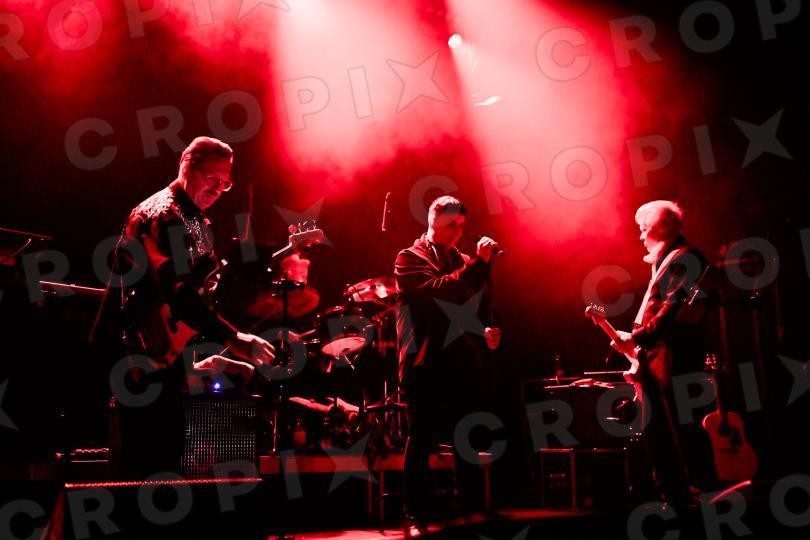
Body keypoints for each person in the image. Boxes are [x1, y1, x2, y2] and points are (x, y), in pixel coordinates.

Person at [107, 136, 275, 478]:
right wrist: (234, 338)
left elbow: (189, 299)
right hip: (139, 359)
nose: (218, 189)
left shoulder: (194, 220)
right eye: (212, 179)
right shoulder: (166, 216)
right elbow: (179, 294)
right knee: (150, 469)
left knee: (168, 464)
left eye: (225, 183)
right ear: (187, 168)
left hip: (162, 358)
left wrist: (200, 362)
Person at [394, 195, 502, 530]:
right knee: (421, 437)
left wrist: (486, 330)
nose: (458, 232)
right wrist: (477, 265)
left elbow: (471, 307)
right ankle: (417, 513)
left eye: (461, 226)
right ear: (433, 219)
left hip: (459, 361)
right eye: (451, 224)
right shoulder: (409, 258)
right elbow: (438, 292)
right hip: (424, 362)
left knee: (466, 435)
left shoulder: (464, 261)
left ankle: (470, 511)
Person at [610, 200, 708, 511]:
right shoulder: (666, 260)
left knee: (675, 427)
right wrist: (637, 340)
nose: (640, 235)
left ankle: (690, 495)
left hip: (671, 355)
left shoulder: (686, 257)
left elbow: (672, 309)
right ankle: (673, 495)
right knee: (656, 430)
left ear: (664, 226)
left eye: (644, 228)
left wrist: (636, 336)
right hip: (655, 353)